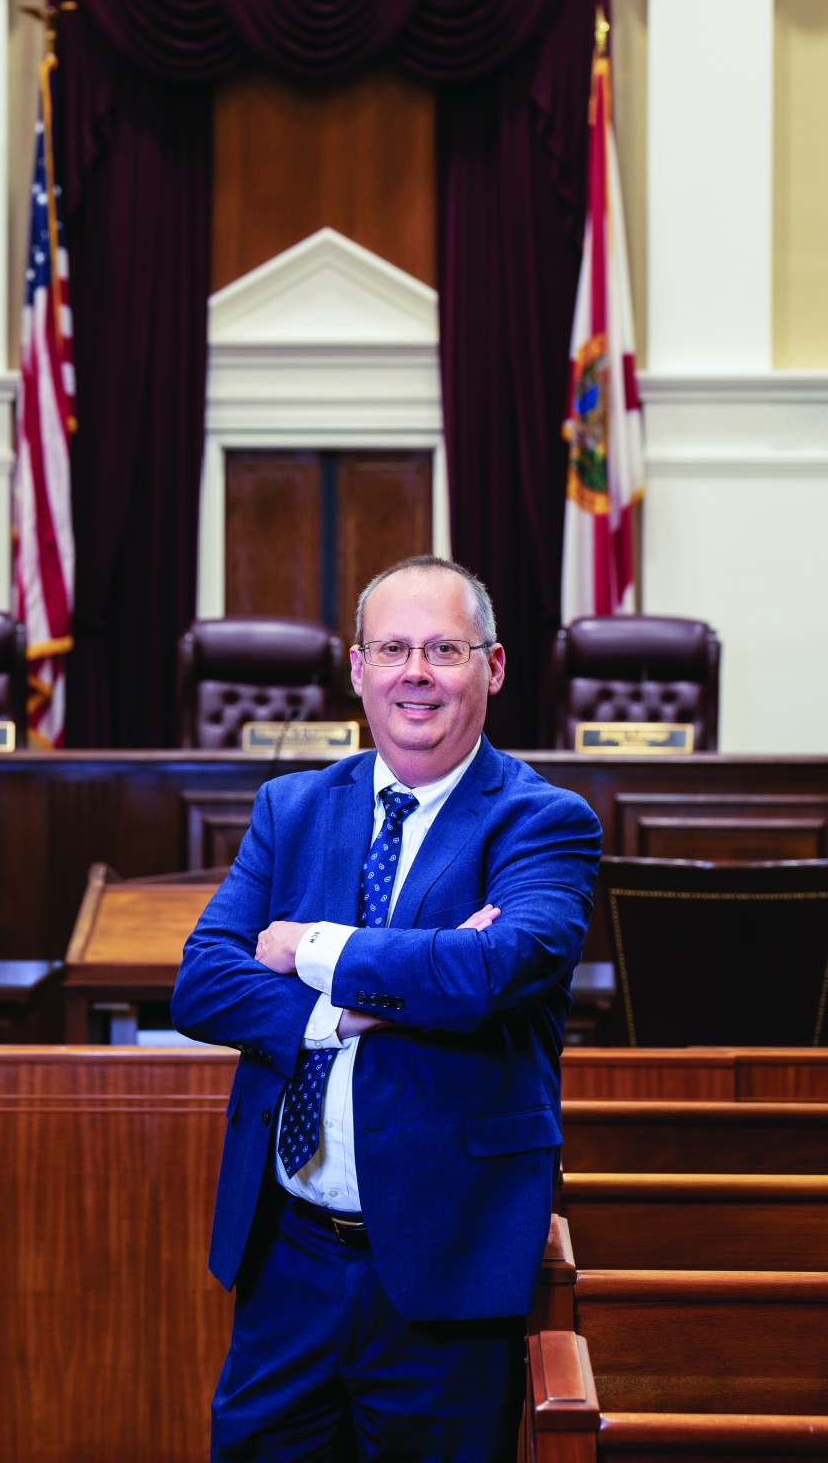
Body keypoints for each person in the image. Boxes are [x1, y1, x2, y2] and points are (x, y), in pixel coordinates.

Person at [171, 555, 602, 1462]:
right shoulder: (291, 807)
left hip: (446, 1263)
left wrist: (307, 950)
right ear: (358, 669)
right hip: (285, 1258)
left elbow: (490, 971)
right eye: (393, 648)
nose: (416, 672)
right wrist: (351, 1010)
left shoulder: (542, 820)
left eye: (444, 648)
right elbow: (203, 980)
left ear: (492, 666)